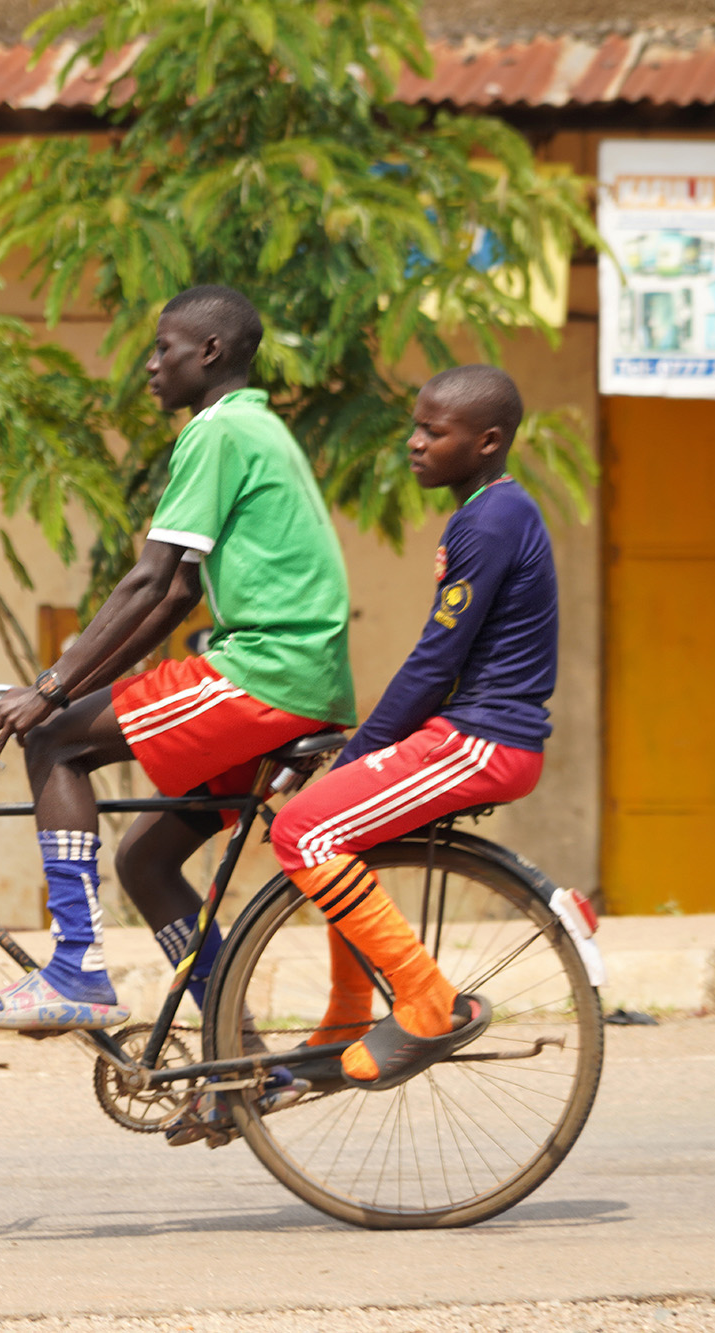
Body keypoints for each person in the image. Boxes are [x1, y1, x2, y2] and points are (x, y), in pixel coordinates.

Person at [0, 284, 357, 1033]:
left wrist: (50, 689)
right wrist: (68, 682)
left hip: (266, 670)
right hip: (302, 675)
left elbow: (147, 579)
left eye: (163, 348)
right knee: (144, 860)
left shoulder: (215, 432)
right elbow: (177, 592)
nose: (149, 366)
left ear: (208, 352)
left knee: (53, 738)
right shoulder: (257, 427)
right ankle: (236, 1057)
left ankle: (74, 966)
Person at [269, 364, 555, 1091]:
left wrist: (363, 751)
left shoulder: (491, 520)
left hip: (484, 739)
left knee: (301, 831)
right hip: (473, 731)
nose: (415, 442)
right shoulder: (488, 512)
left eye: (434, 430)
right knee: (340, 832)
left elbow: (436, 661)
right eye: (416, 426)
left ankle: (428, 1000)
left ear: (487, 441)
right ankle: (344, 1016)